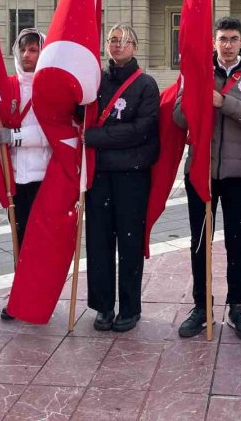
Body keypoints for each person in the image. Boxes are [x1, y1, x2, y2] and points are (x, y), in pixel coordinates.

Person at [174, 16, 241, 341]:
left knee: (236, 243)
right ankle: (201, 308)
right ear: (214, 42)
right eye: (222, 39)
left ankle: (237, 307)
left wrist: (225, 103)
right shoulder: (197, 73)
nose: (228, 45)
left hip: (238, 174)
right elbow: (178, 117)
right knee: (200, 242)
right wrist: (194, 98)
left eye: (233, 39)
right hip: (201, 171)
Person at [82, 24, 160, 332]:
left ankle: (130, 307)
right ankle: (103, 306)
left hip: (132, 176)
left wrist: (98, 138)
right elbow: (82, 118)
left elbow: (142, 129)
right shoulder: (95, 82)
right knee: (99, 242)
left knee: (129, 243)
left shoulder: (146, 85)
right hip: (99, 175)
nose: (117, 45)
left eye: (125, 41)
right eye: (113, 40)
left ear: (135, 48)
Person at [0, 28, 51, 321]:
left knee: (37, 241)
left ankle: (37, 294)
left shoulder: (50, 85)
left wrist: (14, 136)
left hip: (43, 177)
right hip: (14, 176)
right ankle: (20, 294)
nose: (28, 56)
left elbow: (52, 131)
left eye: (34, 50)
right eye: (24, 50)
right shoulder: (7, 85)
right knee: (19, 238)